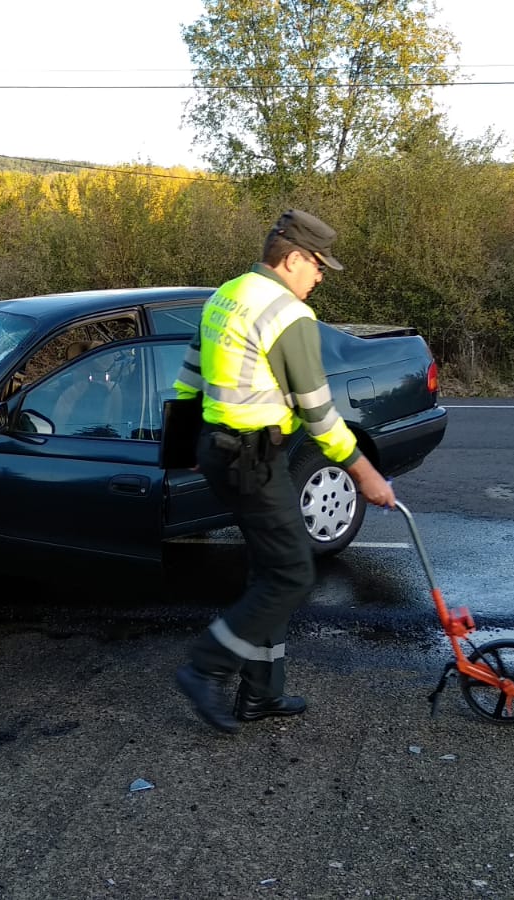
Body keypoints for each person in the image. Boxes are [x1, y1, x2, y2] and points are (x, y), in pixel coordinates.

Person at [172, 209, 397, 735]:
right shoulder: (287, 314)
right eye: (317, 266)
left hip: (218, 448)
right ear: (293, 258)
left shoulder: (225, 295)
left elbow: (188, 379)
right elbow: (318, 411)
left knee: (270, 570)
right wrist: (363, 472)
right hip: (251, 459)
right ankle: (205, 666)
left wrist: (184, 447)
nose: (319, 277)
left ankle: (260, 694)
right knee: (293, 572)